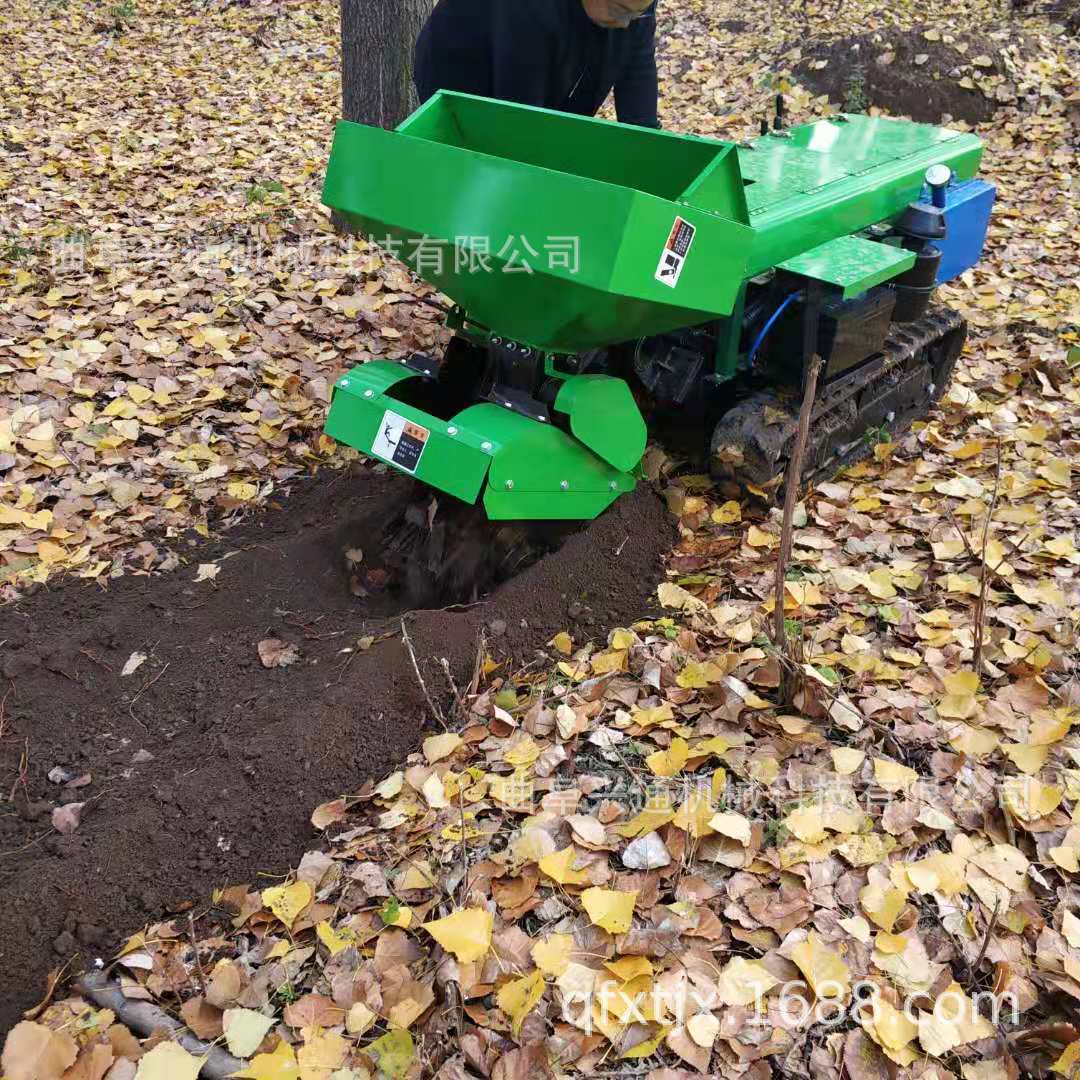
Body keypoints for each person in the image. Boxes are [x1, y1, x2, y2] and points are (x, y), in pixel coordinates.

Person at [413, 0, 660, 129]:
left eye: (636, 13)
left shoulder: (629, 7)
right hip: (465, 73)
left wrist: (650, 147)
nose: (627, 24)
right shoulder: (530, 9)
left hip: (543, 57)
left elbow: (637, 62)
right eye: (621, 11)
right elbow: (521, 118)